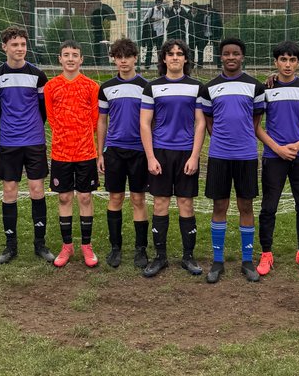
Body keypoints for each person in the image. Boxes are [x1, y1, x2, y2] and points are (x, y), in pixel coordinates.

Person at [255, 40, 299, 276]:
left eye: (292, 60)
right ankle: (266, 254)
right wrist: (278, 148)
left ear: (298, 63)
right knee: (268, 207)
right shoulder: (265, 89)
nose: (287, 64)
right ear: (275, 62)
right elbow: (256, 127)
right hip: (274, 156)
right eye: (283, 60)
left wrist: (298, 145)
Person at [139, 38, 207, 278]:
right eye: (171, 54)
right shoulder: (152, 87)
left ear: (186, 59)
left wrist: (195, 156)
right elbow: (145, 124)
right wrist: (150, 157)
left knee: (186, 204)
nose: (175, 57)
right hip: (160, 153)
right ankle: (160, 257)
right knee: (160, 203)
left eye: (180, 53)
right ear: (164, 59)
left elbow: (200, 124)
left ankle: (188, 257)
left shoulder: (197, 87)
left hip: (186, 153)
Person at [202, 36, 265, 284]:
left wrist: (243, 137)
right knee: (219, 206)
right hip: (218, 155)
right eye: (226, 53)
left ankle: (247, 260)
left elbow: (257, 118)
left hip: (246, 155)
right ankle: (217, 262)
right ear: (221, 56)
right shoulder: (210, 87)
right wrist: (220, 138)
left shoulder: (255, 86)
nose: (231, 57)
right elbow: (208, 119)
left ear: (242, 56)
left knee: (246, 206)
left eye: (235, 53)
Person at [0, 26, 53, 265]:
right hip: (9, 142)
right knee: (9, 191)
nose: (20, 49)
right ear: (4, 47)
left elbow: (43, 109)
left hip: (34, 141)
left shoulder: (38, 75)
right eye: (14, 45)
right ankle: (10, 245)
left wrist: (31, 126)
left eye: (23, 45)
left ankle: (40, 244)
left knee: (37, 189)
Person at [44, 40, 100, 268]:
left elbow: (96, 119)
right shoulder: (51, 87)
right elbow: (51, 117)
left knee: (85, 197)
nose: (70, 58)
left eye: (74, 55)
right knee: (65, 197)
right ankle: (67, 245)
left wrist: (81, 134)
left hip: (86, 152)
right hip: (61, 153)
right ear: (60, 59)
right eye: (66, 54)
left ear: (81, 59)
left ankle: (87, 246)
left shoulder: (91, 86)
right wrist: (66, 135)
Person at [97, 37, 150, 269]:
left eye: (128, 57)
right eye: (119, 57)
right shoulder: (106, 88)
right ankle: (115, 247)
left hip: (139, 151)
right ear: (114, 60)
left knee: (139, 199)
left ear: (135, 58)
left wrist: (151, 153)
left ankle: (141, 249)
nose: (124, 61)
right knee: (115, 198)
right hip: (115, 151)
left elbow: (153, 121)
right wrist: (100, 153)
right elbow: (101, 122)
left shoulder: (147, 86)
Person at [140, 0, 167, 68]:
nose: (159, 4)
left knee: (160, 49)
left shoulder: (163, 10)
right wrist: (154, 19)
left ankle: (160, 65)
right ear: (155, 3)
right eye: (158, 2)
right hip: (152, 32)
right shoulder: (151, 10)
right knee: (149, 48)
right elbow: (145, 20)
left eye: (160, 2)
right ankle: (147, 65)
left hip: (160, 32)